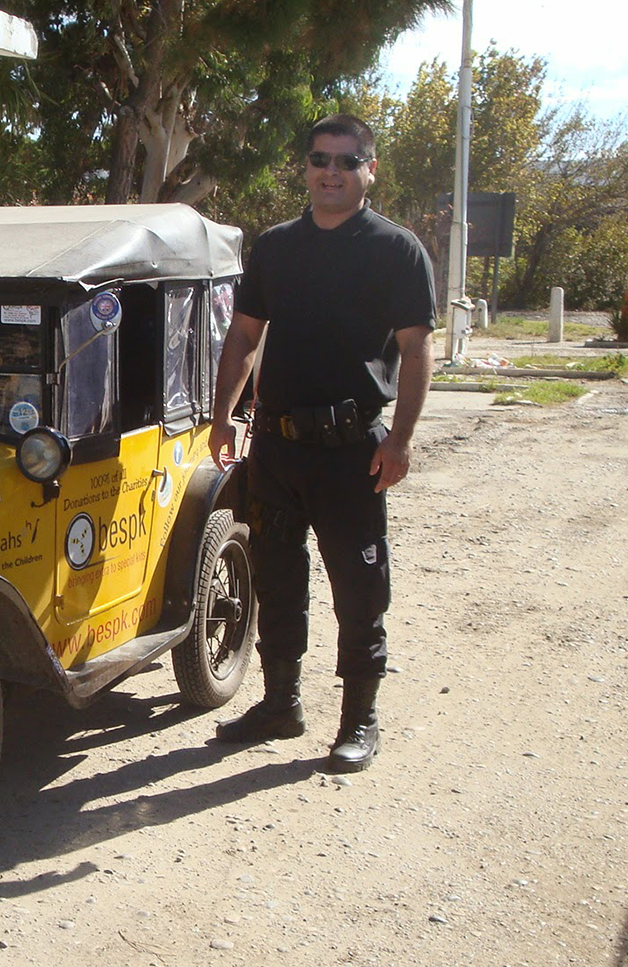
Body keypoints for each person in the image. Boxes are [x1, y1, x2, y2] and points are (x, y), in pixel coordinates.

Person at [207, 114, 435, 773]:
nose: (331, 170)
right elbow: (245, 336)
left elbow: (418, 349)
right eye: (319, 159)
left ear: (370, 169)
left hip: (349, 451)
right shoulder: (277, 247)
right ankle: (281, 704)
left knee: (358, 587)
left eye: (346, 159)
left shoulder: (395, 249)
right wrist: (223, 416)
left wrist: (402, 438)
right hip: (276, 448)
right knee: (277, 580)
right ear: (305, 167)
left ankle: (359, 720)